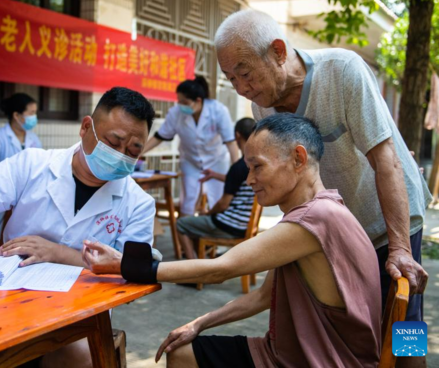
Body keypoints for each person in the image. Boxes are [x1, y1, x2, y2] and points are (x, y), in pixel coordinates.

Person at [215, 9, 430, 368]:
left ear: (278, 52)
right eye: (230, 79)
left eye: (245, 73)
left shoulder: (343, 70)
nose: (241, 88)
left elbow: (386, 161)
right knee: (351, 329)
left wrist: (400, 248)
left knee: (405, 325)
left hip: (391, 217)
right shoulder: (262, 107)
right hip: (338, 232)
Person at [83, 114, 382, 367]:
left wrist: (126, 266)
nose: (249, 179)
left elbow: (221, 268)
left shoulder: (314, 219)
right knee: (182, 350)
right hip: (292, 351)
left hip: (321, 360)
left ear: (298, 159)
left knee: (181, 357)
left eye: (257, 167)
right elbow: (263, 296)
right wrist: (199, 323)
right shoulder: (323, 209)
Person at [0, 87, 156, 368]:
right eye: (113, 142)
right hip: (6, 296)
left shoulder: (138, 203)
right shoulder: (33, 164)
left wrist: (58, 253)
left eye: (132, 150)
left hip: (80, 309)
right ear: (85, 128)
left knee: (77, 354)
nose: (120, 155)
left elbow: (131, 272)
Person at [141, 76, 239, 217]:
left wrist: (237, 169)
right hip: (190, 161)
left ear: (198, 101)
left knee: (217, 201)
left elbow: (230, 142)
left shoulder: (218, 111)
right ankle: (188, 232)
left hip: (216, 162)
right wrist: (137, 154)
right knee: (188, 202)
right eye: (179, 101)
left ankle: (209, 233)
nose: (180, 105)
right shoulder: (176, 113)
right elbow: (160, 136)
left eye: (184, 102)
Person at [176, 117, 256, 259]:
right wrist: (215, 175)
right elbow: (237, 182)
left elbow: (223, 204)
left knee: (182, 224)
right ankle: (204, 264)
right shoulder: (254, 164)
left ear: (237, 135)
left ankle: (194, 271)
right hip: (245, 224)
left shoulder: (238, 167)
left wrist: (207, 213)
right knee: (196, 224)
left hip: (229, 225)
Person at [0, 93, 42, 243]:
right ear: (17, 115)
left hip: (25, 198)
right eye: (31, 113)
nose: (34, 117)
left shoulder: (34, 140)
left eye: (35, 113)